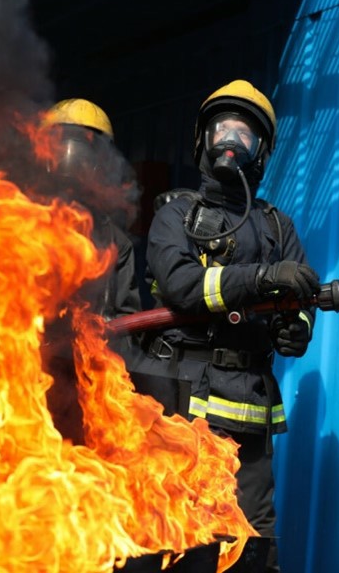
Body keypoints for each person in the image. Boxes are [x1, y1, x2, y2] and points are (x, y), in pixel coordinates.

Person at [137, 80, 321, 572]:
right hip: (186, 412)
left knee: (255, 547)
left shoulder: (279, 227)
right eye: (222, 130)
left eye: (244, 135)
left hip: (253, 416)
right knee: (181, 541)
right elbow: (181, 285)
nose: (231, 144)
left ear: (262, 153)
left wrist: (297, 328)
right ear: (203, 141)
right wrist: (261, 277)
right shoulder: (176, 215)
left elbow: (302, 299)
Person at [34, 98, 142, 443]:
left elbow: (128, 317)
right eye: (64, 145)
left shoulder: (114, 240)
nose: (72, 160)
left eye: (83, 151)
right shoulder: (18, 222)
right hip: (27, 380)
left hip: (88, 387)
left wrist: (103, 350)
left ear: (101, 164)